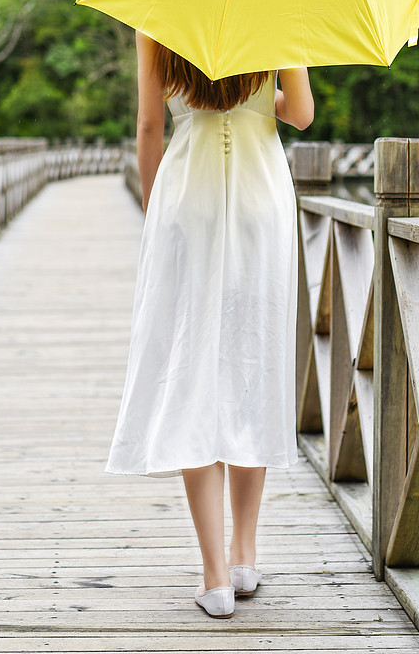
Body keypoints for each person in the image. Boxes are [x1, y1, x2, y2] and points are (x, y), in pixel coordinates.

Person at [106, 31, 314, 619]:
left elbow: (150, 126)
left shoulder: (157, 18)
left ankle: (215, 576)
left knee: (192, 367)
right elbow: (299, 114)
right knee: (254, 361)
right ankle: (246, 555)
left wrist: (153, 210)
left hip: (186, 197)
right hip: (261, 199)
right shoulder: (277, 11)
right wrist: (259, 99)